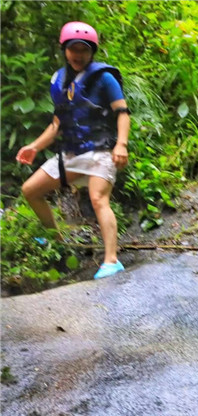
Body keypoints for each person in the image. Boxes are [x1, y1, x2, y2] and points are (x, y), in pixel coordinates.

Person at [16, 21, 131, 280]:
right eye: (73, 49)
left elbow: (123, 113)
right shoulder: (59, 80)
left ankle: (111, 261)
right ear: (65, 50)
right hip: (72, 153)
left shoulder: (104, 79)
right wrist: (34, 146)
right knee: (30, 190)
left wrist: (121, 144)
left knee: (99, 199)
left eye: (84, 50)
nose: (78, 55)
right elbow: (57, 124)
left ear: (92, 52)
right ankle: (57, 241)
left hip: (101, 151)